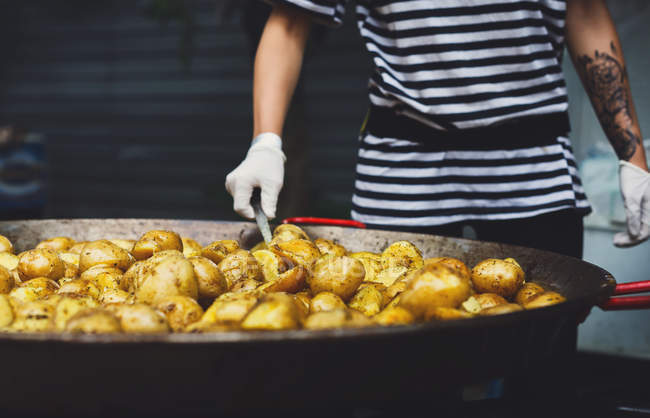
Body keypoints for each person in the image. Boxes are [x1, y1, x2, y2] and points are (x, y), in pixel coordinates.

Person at [225, 0, 650, 259]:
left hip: (533, 167)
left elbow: (587, 14)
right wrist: (266, 143)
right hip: (403, 166)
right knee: (402, 365)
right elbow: (288, 23)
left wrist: (633, 160)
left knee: (540, 363)